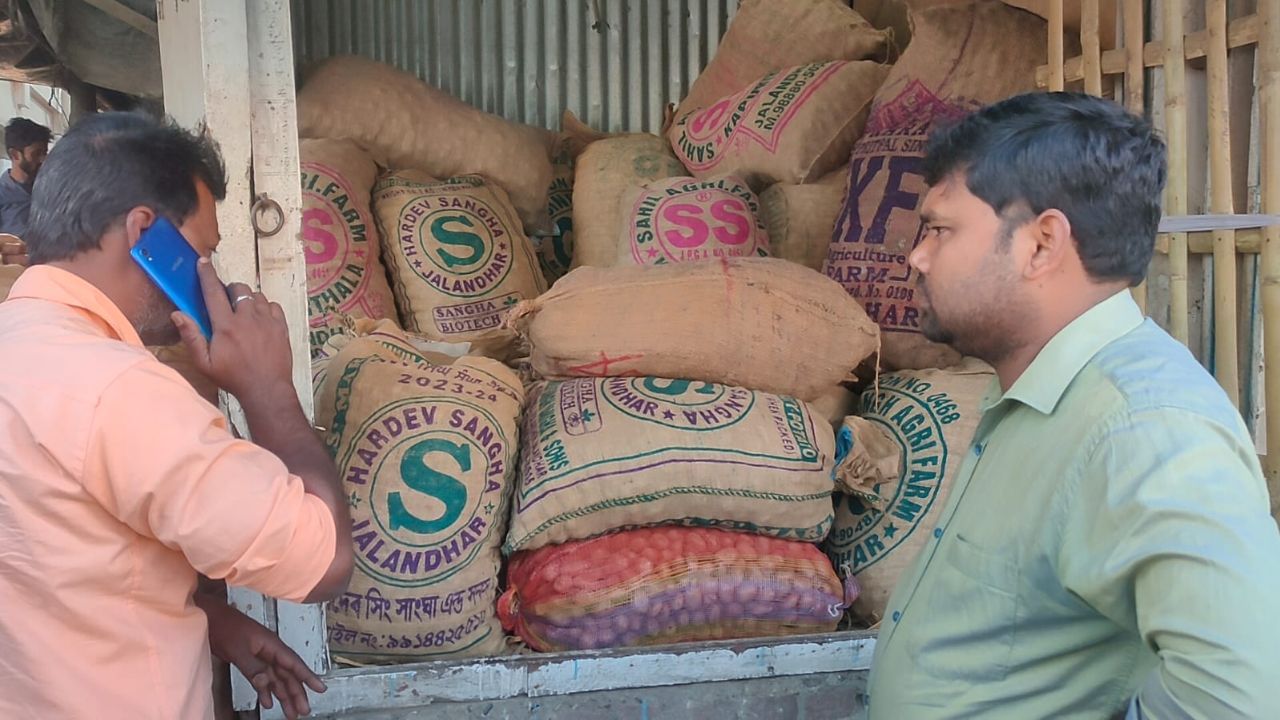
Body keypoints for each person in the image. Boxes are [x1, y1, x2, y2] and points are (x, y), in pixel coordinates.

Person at [865, 92, 1280, 719]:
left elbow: (1236, 700)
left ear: (1041, 244)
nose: (917, 256)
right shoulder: (1035, 391)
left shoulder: (1145, 427)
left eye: (940, 229)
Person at [0, 111, 353, 719]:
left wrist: (212, 619)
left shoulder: (19, 343)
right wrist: (268, 389)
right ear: (145, 232)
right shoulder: (120, 391)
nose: (208, 272)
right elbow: (322, 561)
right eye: (204, 251)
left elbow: (50, 563)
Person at [0, 116, 52, 237]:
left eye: (44, 153)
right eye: (36, 154)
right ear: (15, 155)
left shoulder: (52, 189)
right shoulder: (2, 196)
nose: (43, 159)